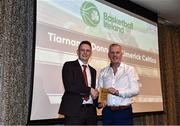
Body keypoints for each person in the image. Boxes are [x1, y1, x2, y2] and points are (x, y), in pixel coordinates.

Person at [98, 43, 140, 125]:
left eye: (117, 52)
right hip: (107, 113)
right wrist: (102, 101)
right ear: (108, 55)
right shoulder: (103, 71)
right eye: (112, 52)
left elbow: (136, 90)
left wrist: (118, 92)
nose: (115, 55)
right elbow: (101, 90)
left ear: (121, 54)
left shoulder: (130, 70)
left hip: (124, 112)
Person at [58, 41, 99, 125]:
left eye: (88, 51)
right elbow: (70, 86)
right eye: (82, 50)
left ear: (91, 53)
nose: (85, 53)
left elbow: (92, 90)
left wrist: (98, 101)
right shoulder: (69, 66)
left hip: (91, 112)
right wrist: (89, 90)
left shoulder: (93, 71)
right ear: (77, 52)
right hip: (74, 111)